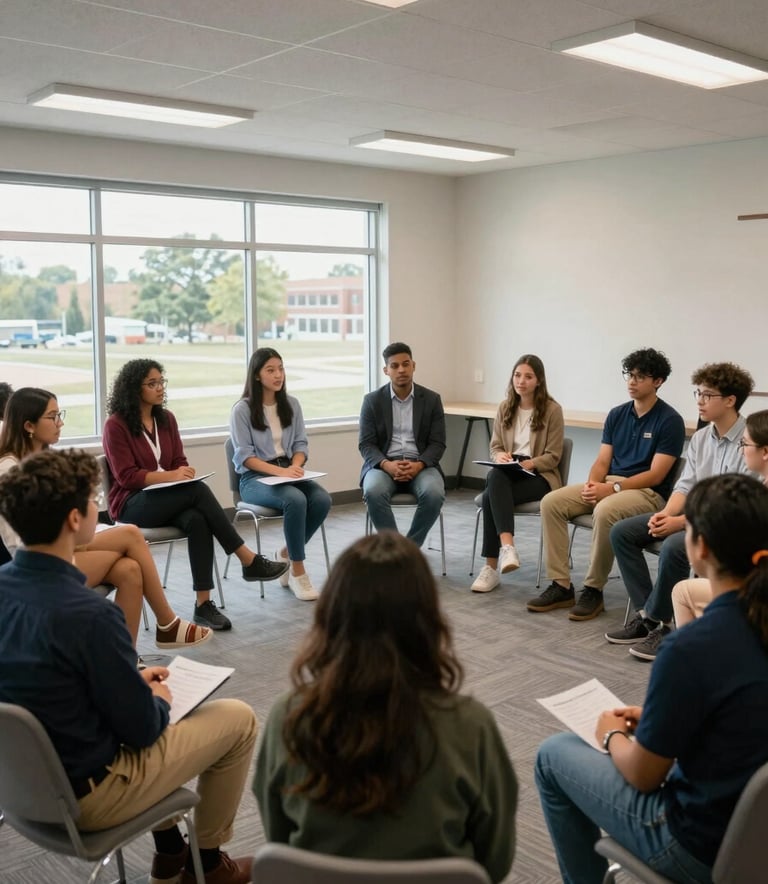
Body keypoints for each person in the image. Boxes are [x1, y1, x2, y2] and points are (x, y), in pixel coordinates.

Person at [0, 449, 258, 884]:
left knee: (136, 701)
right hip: (90, 796)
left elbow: (47, 681)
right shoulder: (88, 614)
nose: (98, 507)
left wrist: (128, 681)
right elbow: (142, 730)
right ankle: (209, 865)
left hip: (22, 790)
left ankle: (172, 853)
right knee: (239, 719)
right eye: (92, 499)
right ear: (73, 520)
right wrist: (153, 697)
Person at [535, 473, 768, 884]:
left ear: (700, 548)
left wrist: (612, 735)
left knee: (553, 755)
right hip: (757, 844)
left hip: (697, 846)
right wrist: (669, 716)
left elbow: (645, 775)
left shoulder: (689, 648)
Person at [253, 531, 518, 883]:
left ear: (331, 616)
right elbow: (495, 861)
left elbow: (279, 837)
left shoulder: (289, 715)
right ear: (427, 620)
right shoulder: (471, 725)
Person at [0, 387, 211, 650]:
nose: (60, 423)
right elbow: (19, 544)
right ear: (29, 425)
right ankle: (166, 624)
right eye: (53, 417)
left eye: (59, 415)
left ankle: (130, 656)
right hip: (34, 567)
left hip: (62, 550)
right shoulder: (9, 470)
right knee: (131, 541)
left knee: (131, 569)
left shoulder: (42, 460)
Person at [102, 359, 289, 632]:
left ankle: (203, 605)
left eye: (161, 382)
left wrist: (182, 472)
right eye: (152, 384)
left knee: (197, 519)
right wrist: (171, 477)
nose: (160, 388)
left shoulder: (166, 420)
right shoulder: (115, 425)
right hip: (132, 503)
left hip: (168, 497)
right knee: (198, 492)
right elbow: (126, 476)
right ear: (133, 388)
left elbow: (178, 459)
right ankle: (247, 558)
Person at [607, 362, 754, 660]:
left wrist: (678, 523)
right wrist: (667, 514)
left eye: (707, 395)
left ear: (730, 400)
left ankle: (662, 624)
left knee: (675, 545)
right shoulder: (701, 439)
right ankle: (648, 614)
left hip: (726, 525)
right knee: (622, 532)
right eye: (698, 393)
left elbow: (733, 505)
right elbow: (685, 486)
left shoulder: (749, 441)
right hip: (692, 518)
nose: (699, 400)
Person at [528, 348, 685, 621]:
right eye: (629, 375)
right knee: (551, 502)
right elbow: (602, 461)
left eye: (640, 377)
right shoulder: (617, 414)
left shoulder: (670, 420)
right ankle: (561, 585)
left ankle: (593, 589)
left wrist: (610, 490)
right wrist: (592, 484)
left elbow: (657, 475)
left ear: (658, 381)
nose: (631, 382)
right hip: (610, 485)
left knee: (606, 510)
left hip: (646, 494)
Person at [229, 348, 331, 602]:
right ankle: (298, 571)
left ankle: (286, 552)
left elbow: (301, 444)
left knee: (322, 499)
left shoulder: (292, 405)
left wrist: (294, 466)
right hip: (253, 479)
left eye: (281, 369)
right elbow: (245, 457)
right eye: (270, 370)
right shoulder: (241, 410)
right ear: (256, 375)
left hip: (286, 471)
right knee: (295, 500)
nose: (278, 375)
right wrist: (281, 472)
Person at [471, 355, 565, 592]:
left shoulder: (553, 410)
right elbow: (495, 446)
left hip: (539, 475)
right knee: (495, 477)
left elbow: (554, 456)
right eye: (517, 375)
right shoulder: (505, 407)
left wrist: (530, 464)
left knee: (490, 494)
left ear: (539, 381)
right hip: (509, 470)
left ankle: (491, 567)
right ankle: (507, 548)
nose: (521, 381)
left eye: (528, 376)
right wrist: (500, 456)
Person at [671, 408, 768, 628]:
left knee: (683, 591)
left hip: (755, 586)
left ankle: (697, 649)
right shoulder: (760, 488)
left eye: (745, 445)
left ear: (765, 451)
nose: (741, 450)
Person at [358, 342, 446, 548]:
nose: (401, 370)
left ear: (414, 365)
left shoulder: (432, 400)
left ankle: (408, 550)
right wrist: (387, 464)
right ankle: (393, 548)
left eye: (406, 364)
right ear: (386, 370)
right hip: (384, 466)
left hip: (421, 465)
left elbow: (438, 443)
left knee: (434, 494)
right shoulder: (372, 401)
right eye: (395, 366)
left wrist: (419, 465)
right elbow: (366, 444)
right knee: (373, 492)